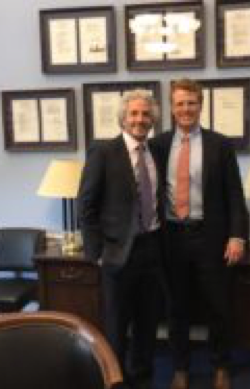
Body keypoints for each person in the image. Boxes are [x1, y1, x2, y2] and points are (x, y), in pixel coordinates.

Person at [150, 78, 249, 389]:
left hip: (210, 236)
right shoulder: (158, 145)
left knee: (218, 305)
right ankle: (180, 368)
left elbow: (235, 194)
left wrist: (237, 236)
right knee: (176, 307)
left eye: (191, 103)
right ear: (171, 107)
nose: (186, 109)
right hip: (171, 237)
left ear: (201, 105)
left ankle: (221, 366)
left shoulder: (221, 145)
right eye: (180, 103)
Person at [77, 89, 164, 389]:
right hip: (116, 254)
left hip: (153, 249)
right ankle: (115, 380)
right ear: (123, 118)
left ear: (153, 119)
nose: (140, 119)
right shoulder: (103, 151)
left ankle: (142, 378)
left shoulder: (156, 152)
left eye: (145, 114)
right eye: (134, 114)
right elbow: (86, 206)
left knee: (147, 322)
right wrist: (96, 254)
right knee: (116, 325)